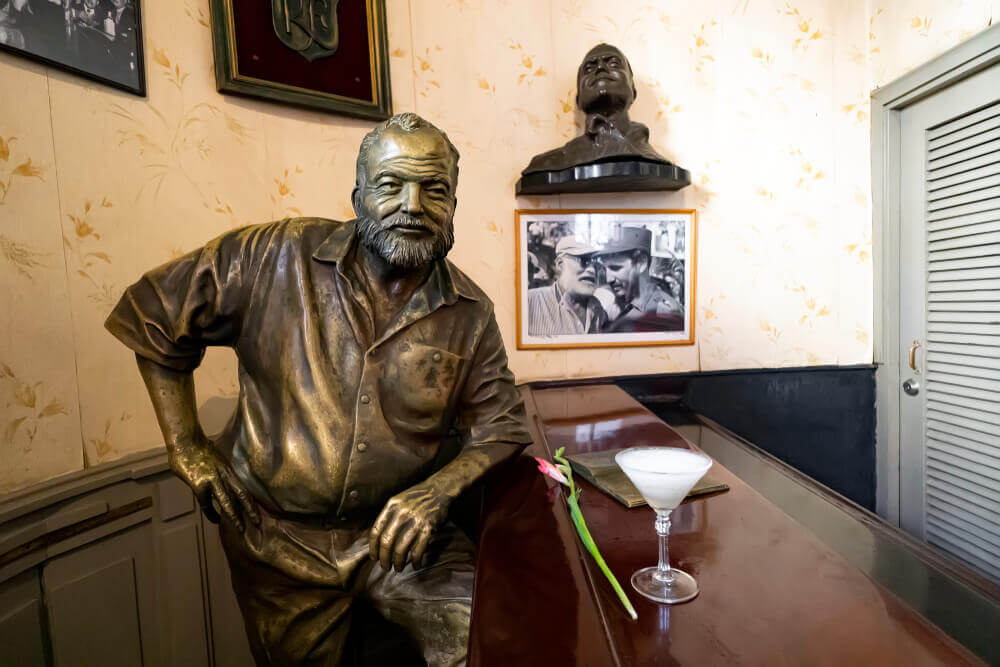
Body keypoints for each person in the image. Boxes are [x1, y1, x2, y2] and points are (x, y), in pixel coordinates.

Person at [105, 113, 532, 666]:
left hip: (401, 542)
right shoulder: (271, 255)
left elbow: (502, 426)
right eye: (391, 185)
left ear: (454, 204)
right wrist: (184, 446)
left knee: (489, 637)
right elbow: (154, 315)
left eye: (434, 189)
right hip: (278, 546)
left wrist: (436, 493)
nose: (412, 205)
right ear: (357, 195)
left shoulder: (470, 314)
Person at [521, 43, 675, 176]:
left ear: (633, 91)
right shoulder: (548, 163)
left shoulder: (652, 159)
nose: (600, 68)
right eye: (589, 68)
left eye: (614, 64)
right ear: (578, 100)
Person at [594, 226, 683, 333]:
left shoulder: (662, 313)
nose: (609, 279)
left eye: (615, 268)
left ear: (641, 262)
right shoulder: (624, 303)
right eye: (605, 269)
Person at [526, 236, 607, 335]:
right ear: (560, 264)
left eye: (596, 264)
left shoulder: (598, 309)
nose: (592, 270)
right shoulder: (529, 303)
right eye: (584, 260)